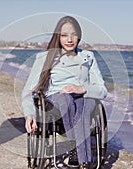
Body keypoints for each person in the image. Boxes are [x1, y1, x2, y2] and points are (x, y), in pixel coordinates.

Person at [22, 16, 108, 169]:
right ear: (58, 37)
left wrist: (82, 89)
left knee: (84, 103)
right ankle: (76, 148)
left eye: (73, 34)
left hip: (84, 97)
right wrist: (29, 114)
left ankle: (83, 160)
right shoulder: (45, 57)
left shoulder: (88, 57)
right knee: (65, 99)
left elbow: (102, 90)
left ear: (79, 36)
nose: (69, 39)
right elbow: (29, 90)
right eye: (64, 35)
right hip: (57, 101)